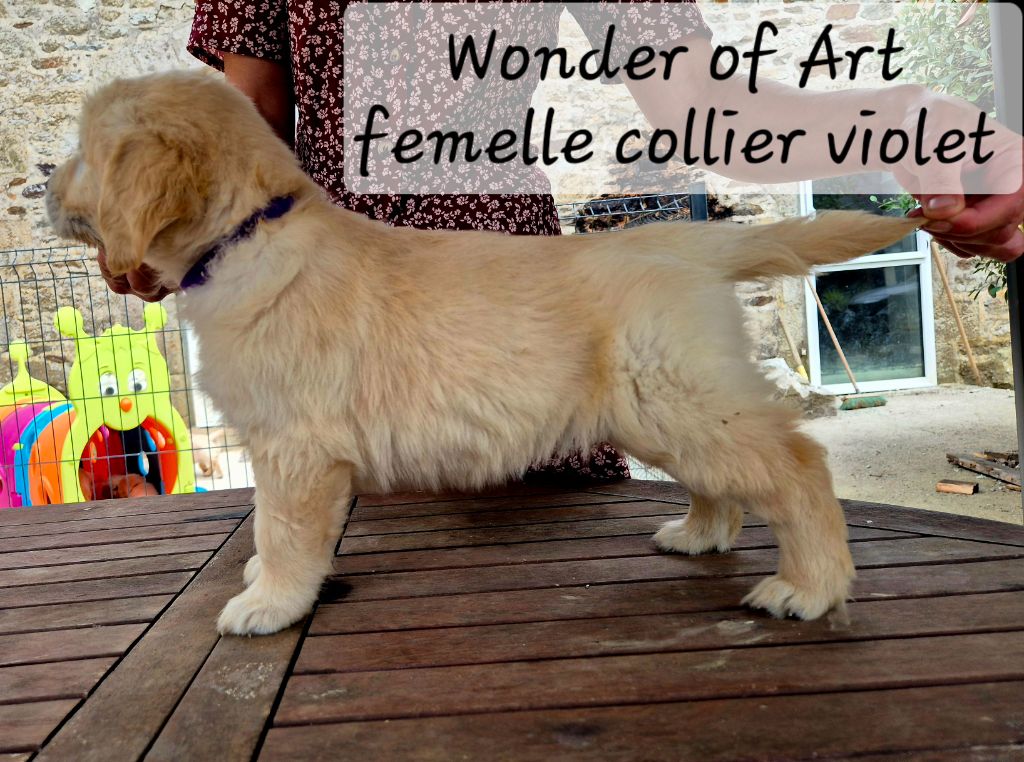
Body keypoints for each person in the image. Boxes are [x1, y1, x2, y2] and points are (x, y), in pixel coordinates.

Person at [100, 0, 1024, 479]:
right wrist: (155, 218)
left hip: (517, 327)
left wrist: (920, 119)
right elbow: (250, 122)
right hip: (334, 329)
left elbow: (706, 112)